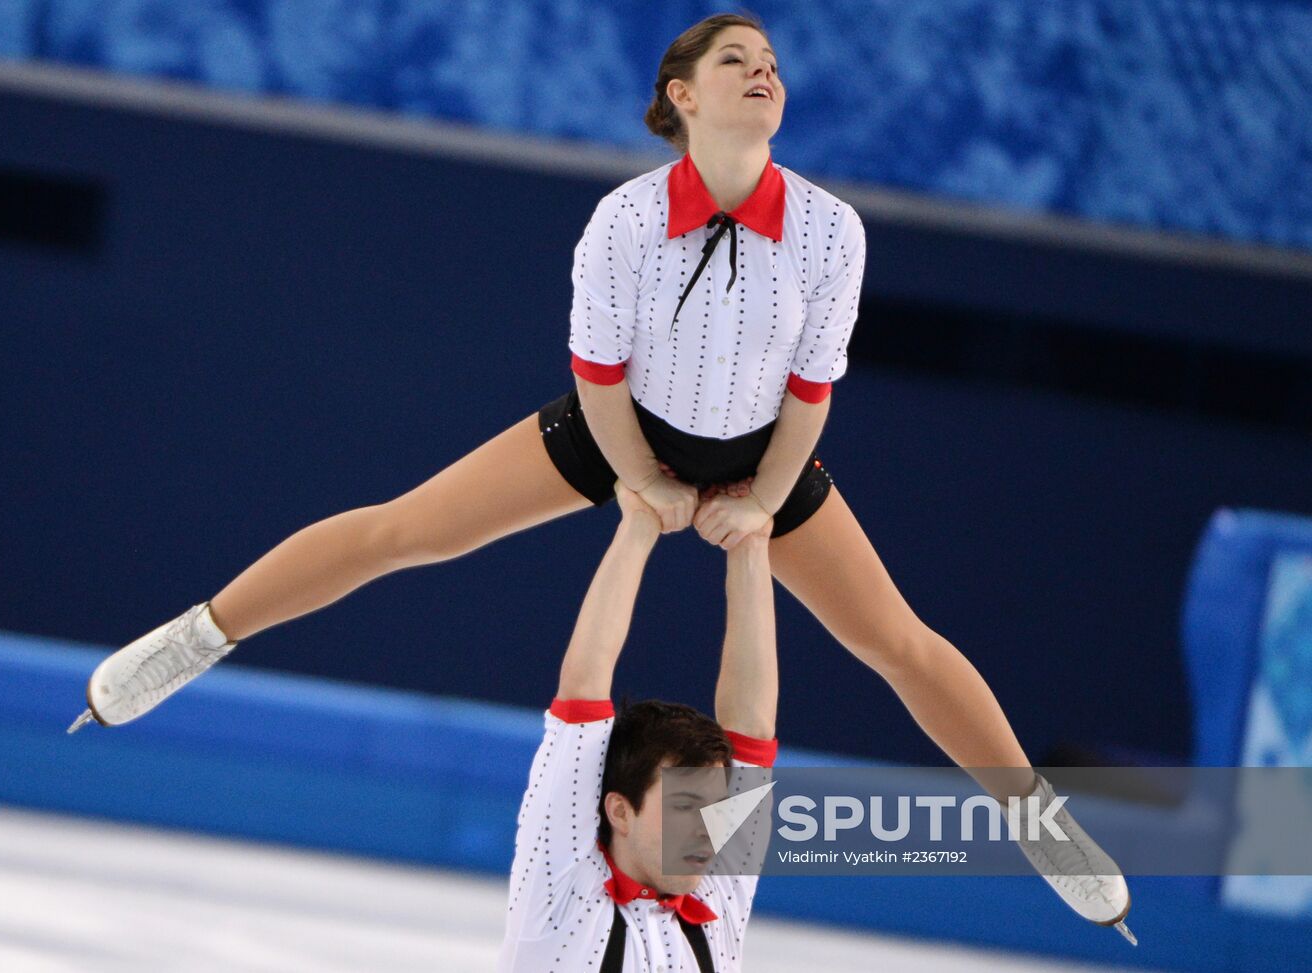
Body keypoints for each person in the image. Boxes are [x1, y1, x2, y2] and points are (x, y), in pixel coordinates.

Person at [67, 12, 1134, 941]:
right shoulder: (624, 221)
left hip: (764, 452)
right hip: (616, 429)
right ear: (680, 95)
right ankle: (199, 635)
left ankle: (1035, 823)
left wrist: (760, 498)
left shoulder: (827, 231)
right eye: (735, 60)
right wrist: (638, 484)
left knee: (891, 640)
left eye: (770, 60)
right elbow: (599, 375)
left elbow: (811, 390)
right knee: (407, 531)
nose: (764, 70)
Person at [500, 480, 776, 971]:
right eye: (686, 806)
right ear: (620, 812)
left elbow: (751, 731)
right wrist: (639, 524)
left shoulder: (715, 899)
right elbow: (583, 688)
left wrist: (751, 545)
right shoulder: (562, 894)